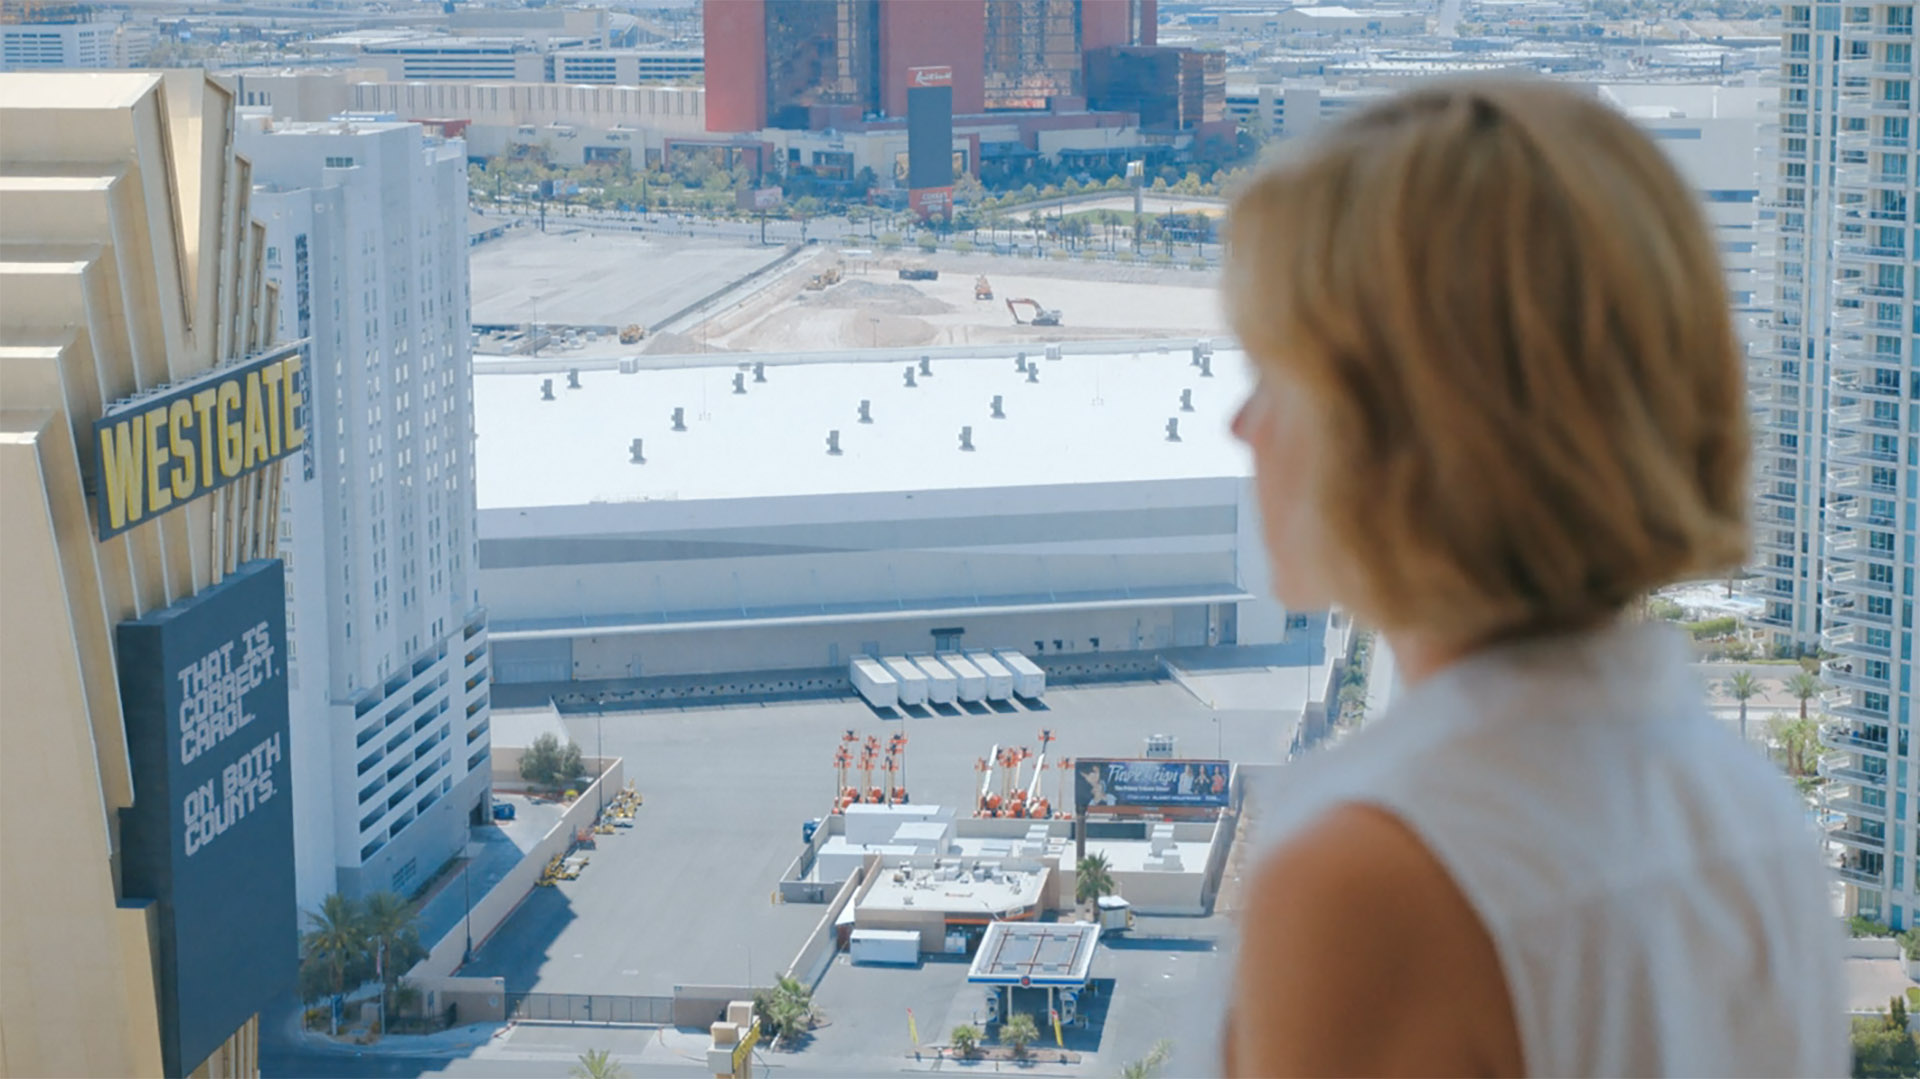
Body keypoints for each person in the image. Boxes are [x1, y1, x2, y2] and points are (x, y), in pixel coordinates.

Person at [1218, 79, 1845, 1077]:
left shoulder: (1371, 870)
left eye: (1276, 374)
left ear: (1408, 430)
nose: (1241, 427)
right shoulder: (1754, 816)